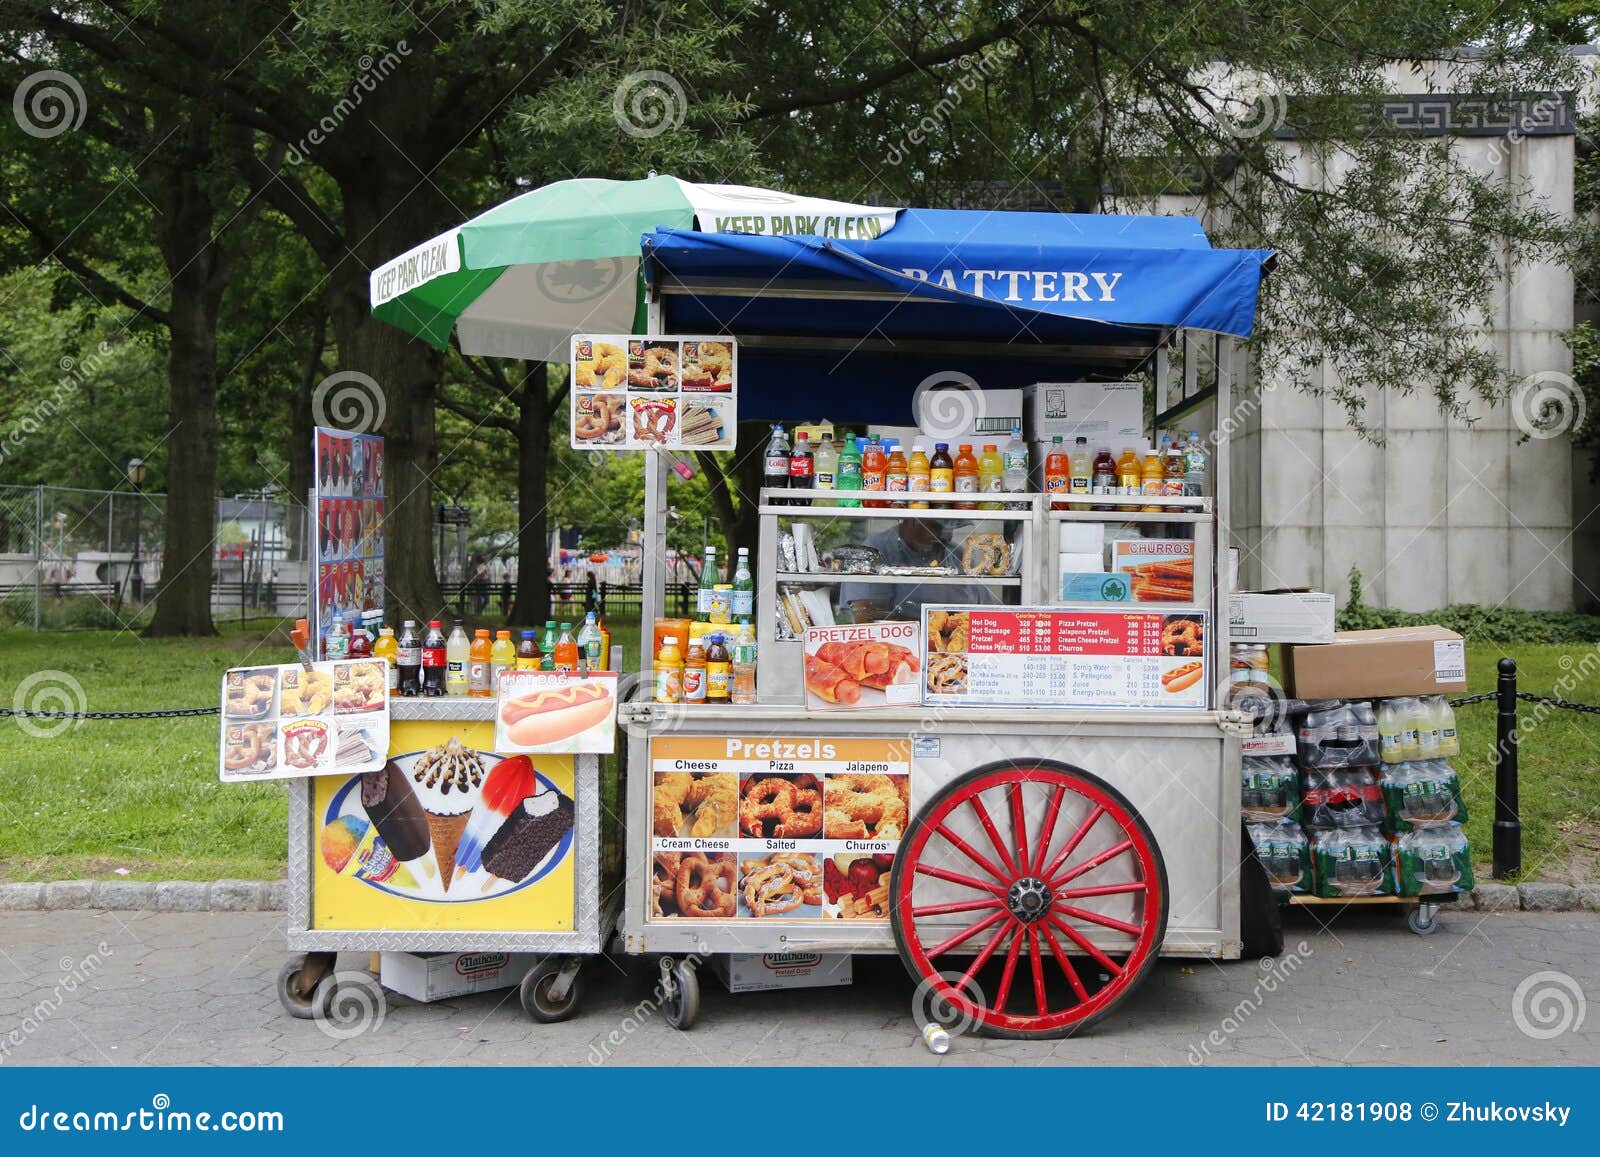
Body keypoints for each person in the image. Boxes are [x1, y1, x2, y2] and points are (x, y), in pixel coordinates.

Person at [839, 517, 1000, 623]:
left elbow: (985, 615)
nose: (944, 535)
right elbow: (866, 615)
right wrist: (931, 626)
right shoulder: (876, 550)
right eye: (936, 526)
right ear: (911, 520)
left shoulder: (957, 555)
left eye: (951, 528)